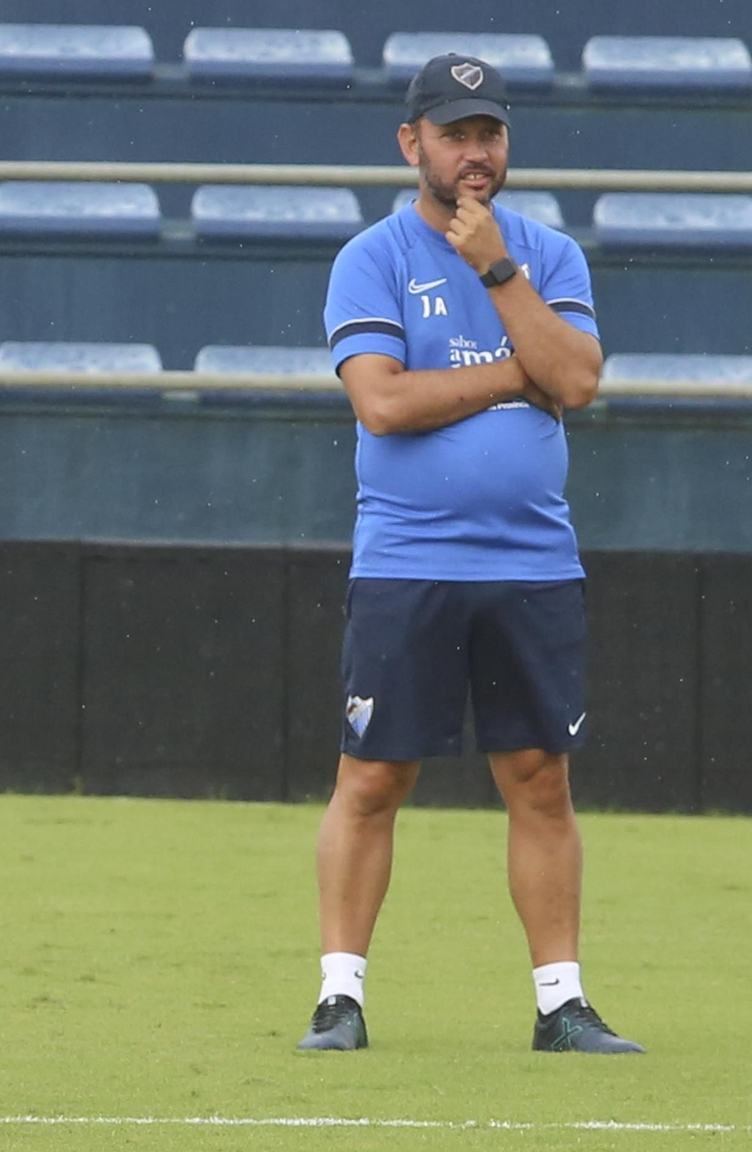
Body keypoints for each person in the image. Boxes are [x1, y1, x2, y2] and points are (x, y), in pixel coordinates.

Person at [303, 54, 642, 1055]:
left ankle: (559, 1006)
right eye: (453, 134)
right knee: (371, 776)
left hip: (532, 563)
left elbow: (575, 383)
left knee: (540, 778)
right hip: (406, 560)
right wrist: (512, 374)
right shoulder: (371, 257)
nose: (474, 152)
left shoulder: (547, 252)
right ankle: (339, 1000)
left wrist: (499, 267)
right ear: (412, 144)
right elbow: (383, 402)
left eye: (487, 132)